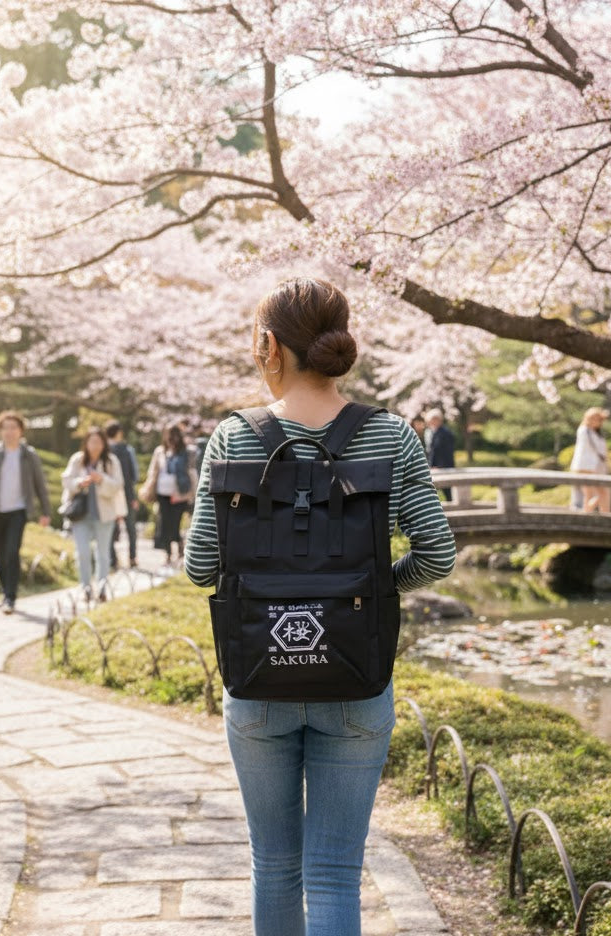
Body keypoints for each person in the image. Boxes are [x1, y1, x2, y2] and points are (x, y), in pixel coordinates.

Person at [184, 277, 456, 936]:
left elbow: (200, 569)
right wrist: (370, 593)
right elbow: (438, 555)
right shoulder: (391, 435)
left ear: (269, 345)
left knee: (275, 865)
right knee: (335, 871)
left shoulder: (232, 438)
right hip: (356, 680)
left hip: (259, 678)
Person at [0, 411, 52, 614]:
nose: (9, 432)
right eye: (5, 428)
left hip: (19, 510)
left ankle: (10, 597)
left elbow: (40, 485)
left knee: (12, 551)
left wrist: (45, 511)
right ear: (0, 431)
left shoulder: (29, 455)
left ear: (21, 431)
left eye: (13, 427)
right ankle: (5, 590)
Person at [62, 427, 126, 601]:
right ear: (86, 443)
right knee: (82, 552)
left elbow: (118, 485)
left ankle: (103, 586)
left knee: (103, 553)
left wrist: (101, 479)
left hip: (104, 515)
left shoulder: (111, 461)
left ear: (104, 443)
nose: (95, 445)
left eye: (98, 442)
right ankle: (85, 587)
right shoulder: (78, 460)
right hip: (80, 515)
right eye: (91, 441)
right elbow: (67, 480)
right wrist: (80, 482)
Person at [142, 423, 196, 565]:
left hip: (180, 494)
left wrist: (191, 494)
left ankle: (179, 548)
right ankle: (168, 553)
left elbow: (191, 473)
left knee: (175, 524)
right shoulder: (160, 451)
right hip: (163, 494)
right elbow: (153, 472)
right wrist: (148, 489)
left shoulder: (187, 452)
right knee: (164, 524)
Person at [105, 420, 140, 569]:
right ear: (119, 433)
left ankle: (113, 560)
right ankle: (132, 558)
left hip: (109, 495)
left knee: (110, 530)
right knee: (131, 529)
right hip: (127, 494)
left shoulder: (103, 450)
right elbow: (135, 475)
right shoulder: (127, 450)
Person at [570, 406, 610, 513]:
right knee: (590, 494)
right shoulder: (585, 431)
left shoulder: (595, 433)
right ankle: (587, 513)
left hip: (594, 467)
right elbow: (597, 450)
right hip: (585, 467)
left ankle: (599, 512)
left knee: (602, 493)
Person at [425, 407, 455, 501]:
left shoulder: (445, 433)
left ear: (437, 420)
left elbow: (447, 452)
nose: (430, 423)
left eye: (431, 420)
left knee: (448, 492)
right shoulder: (435, 432)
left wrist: (439, 466)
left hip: (444, 467)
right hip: (435, 467)